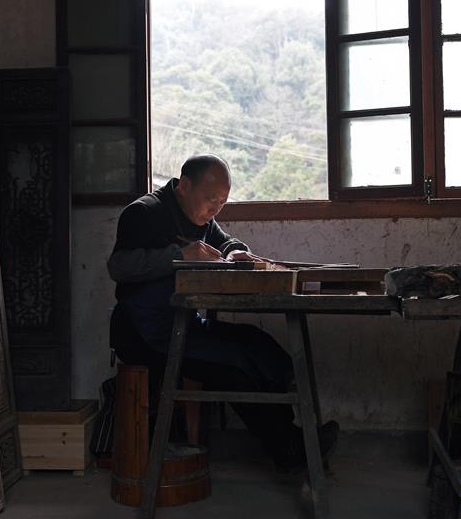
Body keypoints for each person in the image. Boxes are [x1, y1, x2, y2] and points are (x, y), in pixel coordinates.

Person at [107, 154, 338, 473]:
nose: (215, 209)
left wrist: (234, 251)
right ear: (185, 186)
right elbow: (118, 266)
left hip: (184, 323)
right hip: (145, 330)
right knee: (235, 365)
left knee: (258, 345)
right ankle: (288, 450)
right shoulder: (144, 212)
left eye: (223, 202)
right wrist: (178, 255)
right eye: (211, 199)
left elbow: (224, 240)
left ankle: (294, 436)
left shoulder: (200, 215)